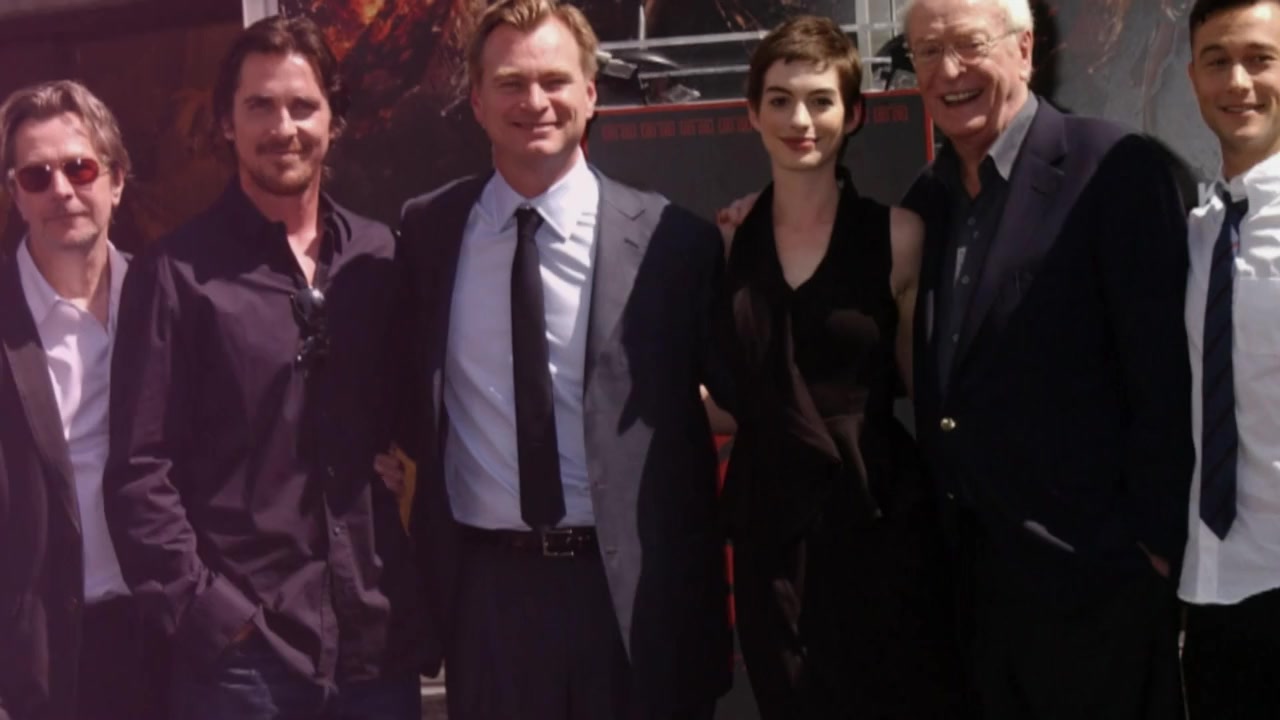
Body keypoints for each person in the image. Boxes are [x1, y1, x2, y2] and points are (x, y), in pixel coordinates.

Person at [394, 1, 732, 717]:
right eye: (510, 83)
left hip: (632, 598)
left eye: (554, 80)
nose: (535, 101)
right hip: (487, 598)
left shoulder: (674, 243)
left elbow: (738, 395)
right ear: (477, 102)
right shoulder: (427, 234)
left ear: (591, 92)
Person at [103, 16, 429, 719]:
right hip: (245, 666)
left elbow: (422, 415)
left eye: (303, 105)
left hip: (376, 646)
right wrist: (210, 614)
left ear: (334, 119)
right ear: (226, 122)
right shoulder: (175, 275)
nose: (284, 127)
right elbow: (138, 471)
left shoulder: (380, 258)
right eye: (260, 106)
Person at [898, 0, 1193, 716]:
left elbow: (1164, 372)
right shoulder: (926, 202)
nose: (948, 71)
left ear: (1025, 48)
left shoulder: (1114, 168)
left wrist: (1152, 547)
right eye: (927, 52)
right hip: (974, 603)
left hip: (1097, 592)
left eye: (969, 45)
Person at [714, 15, 960, 718]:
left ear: (852, 115)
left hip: (880, 522)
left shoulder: (900, 236)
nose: (801, 120)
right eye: (781, 100)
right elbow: (733, 397)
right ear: (753, 113)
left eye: (820, 100)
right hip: (771, 537)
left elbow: (921, 383)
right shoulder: (726, 240)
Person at [0, 79, 163, 720]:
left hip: (169, 640)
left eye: (81, 168)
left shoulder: (169, 300)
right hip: (36, 664)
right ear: (15, 195)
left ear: (117, 180)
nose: (61, 190)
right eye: (36, 176)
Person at [1181, 2, 1280, 717]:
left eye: (1260, 59)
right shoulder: (1196, 230)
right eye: (1218, 61)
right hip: (1213, 593)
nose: (1238, 82)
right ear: (1192, 78)